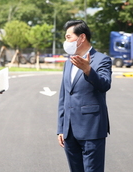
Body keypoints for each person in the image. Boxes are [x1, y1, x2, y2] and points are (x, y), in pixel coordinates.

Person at [57, 20, 112, 172]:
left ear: (81, 38)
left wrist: (88, 70)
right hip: (69, 131)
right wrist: (61, 128)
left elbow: (105, 85)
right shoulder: (68, 62)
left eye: (68, 37)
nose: (66, 41)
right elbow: (64, 96)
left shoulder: (102, 60)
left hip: (91, 129)